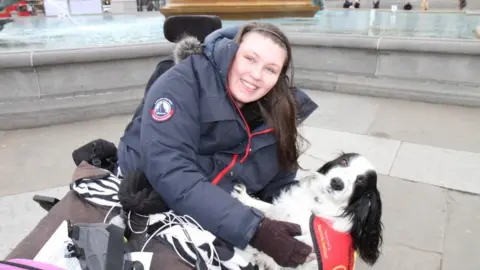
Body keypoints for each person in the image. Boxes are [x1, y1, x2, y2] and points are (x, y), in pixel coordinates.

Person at [117, 22, 319, 268]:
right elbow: (170, 170)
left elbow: (279, 187)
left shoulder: (278, 112)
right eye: (250, 59)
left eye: (270, 69)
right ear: (232, 52)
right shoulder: (181, 84)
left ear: (279, 77)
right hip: (153, 187)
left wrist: (311, 220)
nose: (256, 75)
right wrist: (256, 230)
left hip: (217, 199)